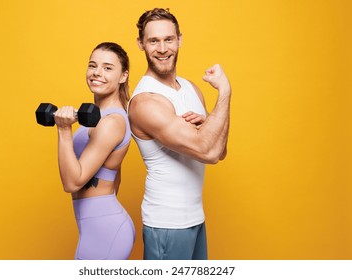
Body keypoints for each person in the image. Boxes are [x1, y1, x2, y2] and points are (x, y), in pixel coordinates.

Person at [128, 8, 232, 260]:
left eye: (168, 39)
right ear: (141, 44)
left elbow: (220, 151)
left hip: (195, 218)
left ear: (179, 40)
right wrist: (225, 91)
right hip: (167, 223)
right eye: (153, 41)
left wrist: (208, 122)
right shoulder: (146, 101)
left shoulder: (191, 88)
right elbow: (208, 151)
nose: (162, 48)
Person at [54, 42, 135, 260]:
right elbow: (116, 176)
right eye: (93, 65)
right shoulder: (98, 117)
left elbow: (72, 182)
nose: (97, 72)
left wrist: (63, 130)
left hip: (105, 229)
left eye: (108, 68)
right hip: (96, 225)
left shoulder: (111, 122)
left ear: (123, 76)